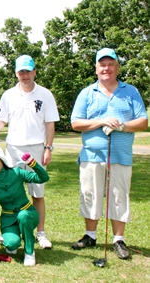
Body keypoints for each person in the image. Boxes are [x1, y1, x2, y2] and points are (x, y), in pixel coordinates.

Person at [70, 48, 148, 260]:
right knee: (89, 194)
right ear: (96, 68)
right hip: (92, 154)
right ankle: (90, 235)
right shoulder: (87, 93)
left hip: (121, 154)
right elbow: (76, 123)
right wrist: (102, 121)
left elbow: (143, 120)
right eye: (102, 65)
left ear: (117, 67)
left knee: (119, 195)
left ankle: (118, 239)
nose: (106, 68)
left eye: (110, 64)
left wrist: (121, 126)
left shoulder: (130, 91)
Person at [0, 54, 59, 249]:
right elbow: (1, 119)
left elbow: (50, 123)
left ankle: (41, 233)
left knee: (37, 193)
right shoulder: (8, 95)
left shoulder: (45, 94)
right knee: (11, 191)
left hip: (36, 147)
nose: (25, 75)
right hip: (13, 149)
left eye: (28, 71)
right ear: (16, 73)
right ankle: (11, 229)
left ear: (34, 71)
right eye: (21, 71)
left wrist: (48, 147)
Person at [0, 146, 49, 266]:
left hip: (28, 213)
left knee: (23, 216)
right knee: (11, 244)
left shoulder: (16, 172)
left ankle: (29, 251)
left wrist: (32, 163)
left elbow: (43, 178)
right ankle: (12, 238)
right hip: (8, 219)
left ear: (2, 159)